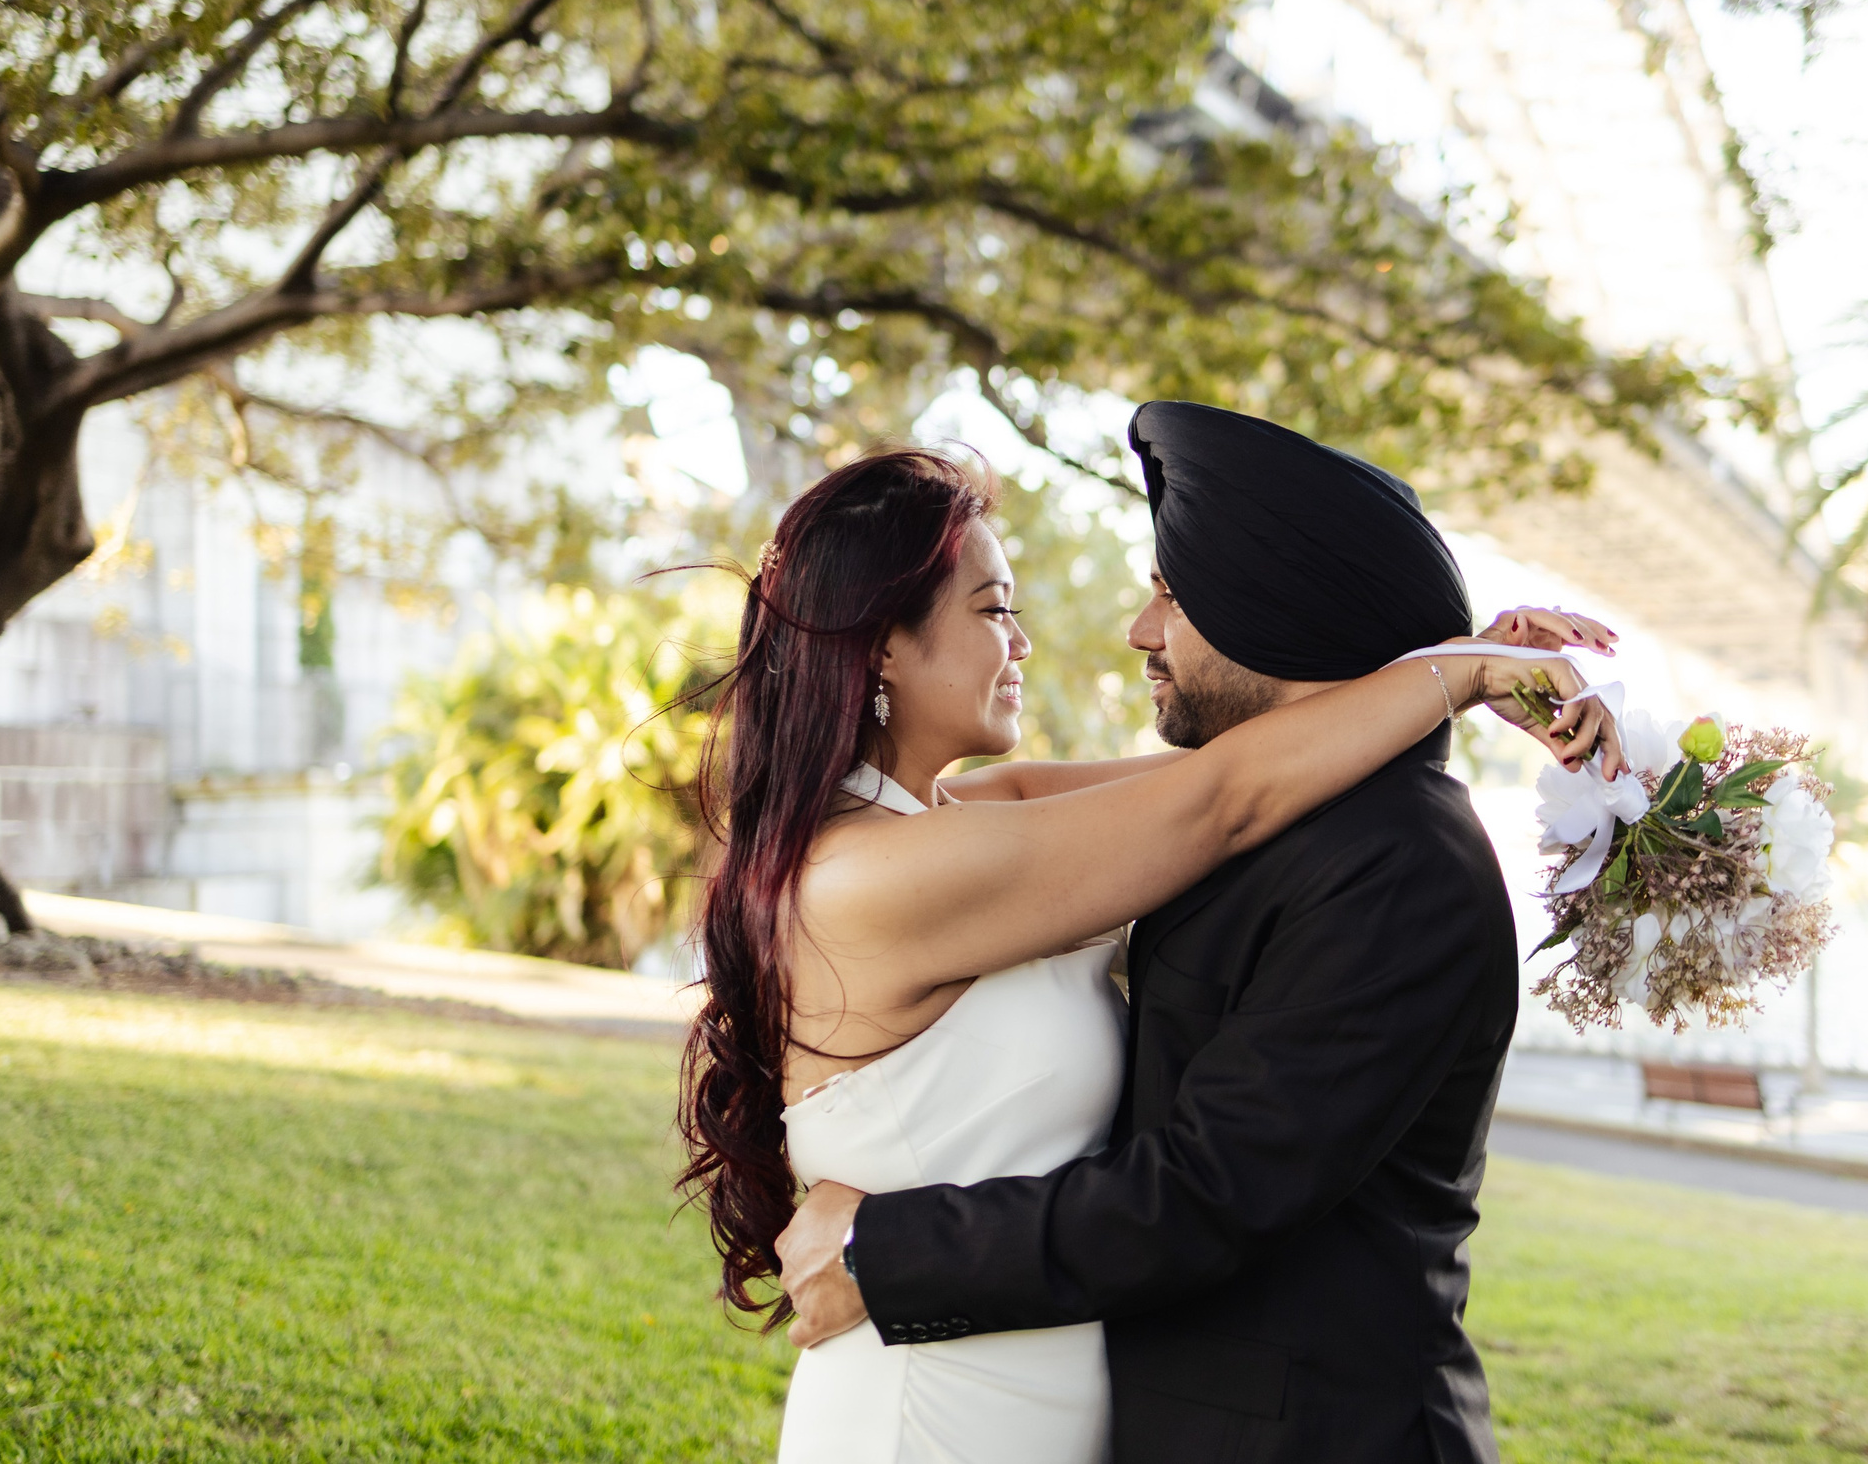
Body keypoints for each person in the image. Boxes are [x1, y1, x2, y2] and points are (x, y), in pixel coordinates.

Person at [680, 416, 1620, 1464]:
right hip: (937, 1405)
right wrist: (1460, 670)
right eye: (994, 610)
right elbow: (1218, 798)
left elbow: (1190, 784)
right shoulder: (875, 871)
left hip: (1039, 1382)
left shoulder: (941, 820)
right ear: (881, 648)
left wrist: (1432, 666)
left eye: (1169, 593)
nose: (1038, 639)